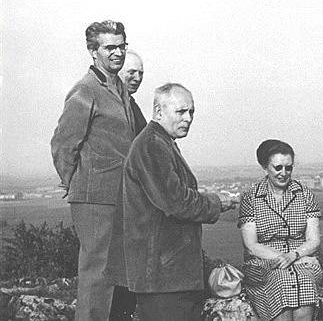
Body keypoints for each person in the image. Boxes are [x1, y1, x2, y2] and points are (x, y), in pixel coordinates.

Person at [123, 83, 238, 321]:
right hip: (163, 276)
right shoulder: (153, 144)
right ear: (158, 112)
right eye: (181, 111)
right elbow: (176, 201)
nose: (188, 118)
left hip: (168, 274)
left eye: (191, 112)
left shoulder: (160, 142)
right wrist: (218, 202)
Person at [51, 20, 136, 321]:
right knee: (96, 272)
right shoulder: (85, 90)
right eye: (109, 47)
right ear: (93, 51)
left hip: (118, 194)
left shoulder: (119, 87)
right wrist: (73, 181)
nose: (118, 53)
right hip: (94, 197)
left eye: (122, 46)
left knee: (114, 269)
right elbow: (63, 143)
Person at [238, 139, 322, 321]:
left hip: (301, 259)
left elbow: (314, 240)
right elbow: (251, 245)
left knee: (305, 282)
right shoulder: (251, 198)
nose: (284, 173)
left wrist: (294, 256)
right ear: (265, 167)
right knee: (282, 280)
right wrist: (282, 258)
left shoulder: (305, 194)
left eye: (288, 168)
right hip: (263, 262)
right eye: (278, 168)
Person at [119, 50, 147, 134]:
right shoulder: (108, 103)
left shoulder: (132, 104)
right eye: (132, 72)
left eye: (140, 73)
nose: (138, 78)